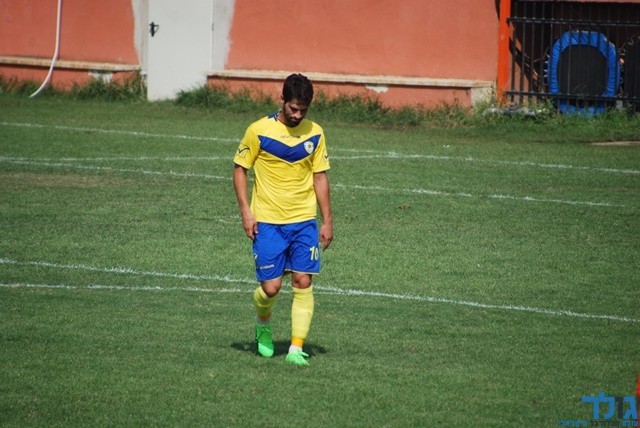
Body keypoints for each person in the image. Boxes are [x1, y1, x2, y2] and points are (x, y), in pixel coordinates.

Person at [233, 73, 333, 366]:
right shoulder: (258, 130)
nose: (298, 115)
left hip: (303, 220)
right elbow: (240, 169)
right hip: (267, 221)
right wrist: (245, 211)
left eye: (303, 109)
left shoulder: (316, 133)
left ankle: (295, 349)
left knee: (303, 281)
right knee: (271, 288)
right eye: (293, 108)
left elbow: (320, 176)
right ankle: (263, 324)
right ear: (282, 100)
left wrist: (327, 220)